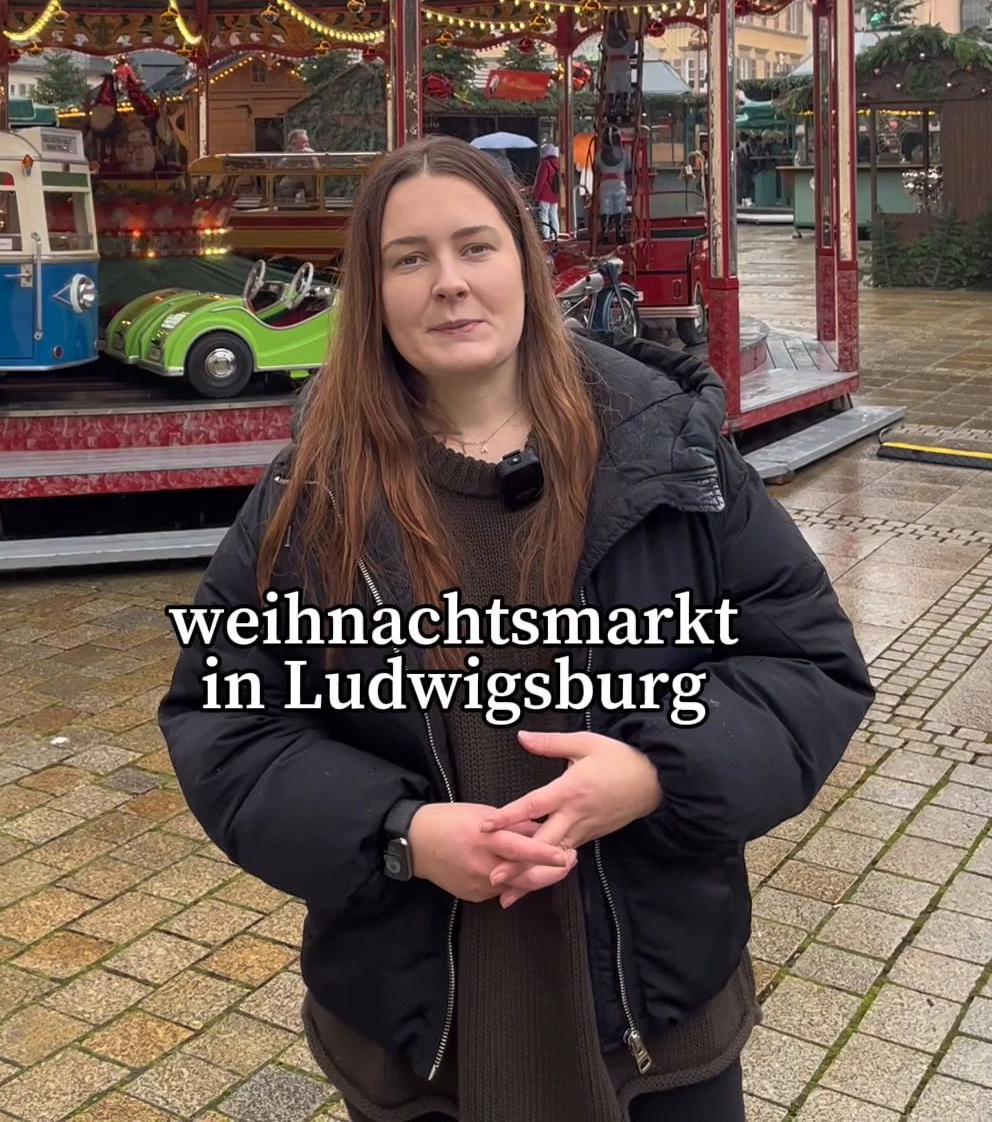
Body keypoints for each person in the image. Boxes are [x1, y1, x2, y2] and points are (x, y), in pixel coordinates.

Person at [160, 136, 872, 1122]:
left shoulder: (663, 452)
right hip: (424, 1030)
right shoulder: (313, 491)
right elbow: (224, 720)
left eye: (476, 247)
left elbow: (807, 663)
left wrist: (660, 769)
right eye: (410, 259)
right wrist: (397, 834)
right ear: (373, 290)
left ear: (529, 266)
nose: (448, 284)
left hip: (650, 1018)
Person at [277, 126, 319, 205]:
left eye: (307, 142)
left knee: (312, 188)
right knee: (284, 186)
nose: (308, 144)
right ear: (293, 143)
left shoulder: (310, 153)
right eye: (304, 142)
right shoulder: (287, 154)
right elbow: (279, 167)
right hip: (290, 183)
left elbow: (317, 167)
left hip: (309, 183)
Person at [531, 143, 560, 242]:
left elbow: (540, 181)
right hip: (555, 193)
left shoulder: (545, 164)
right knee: (554, 214)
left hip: (545, 194)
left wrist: (535, 195)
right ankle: (556, 233)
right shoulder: (558, 162)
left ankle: (546, 235)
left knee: (543, 213)